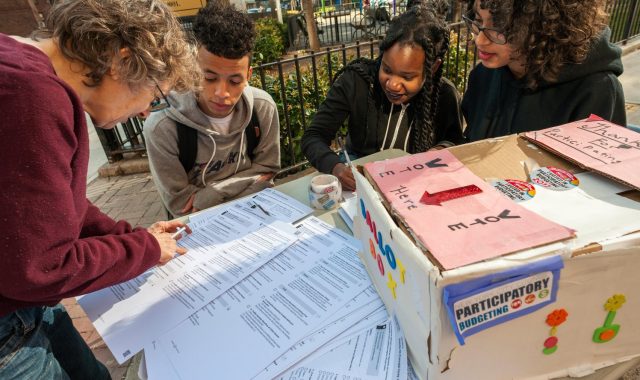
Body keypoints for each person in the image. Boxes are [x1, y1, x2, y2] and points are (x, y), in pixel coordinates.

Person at [0, 0, 200, 378]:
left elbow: (52, 206)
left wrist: (134, 236)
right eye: (155, 96)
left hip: (24, 306)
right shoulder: (35, 97)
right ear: (123, 62)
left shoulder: (18, 62)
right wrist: (145, 248)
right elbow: (43, 266)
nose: (146, 112)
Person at [301, 1, 464, 191]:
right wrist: (335, 166)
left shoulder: (445, 95)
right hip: (358, 183)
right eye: (387, 69)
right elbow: (313, 136)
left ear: (433, 68)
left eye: (407, 76)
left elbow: (455, 142)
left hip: (413, 186)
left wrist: (436, 153)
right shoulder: (356, 81)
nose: (393, 84)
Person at [144, 2, 280, 218]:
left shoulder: (262, 108)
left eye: (235, 81)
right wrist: (247, 183)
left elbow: (268, 171)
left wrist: (210, 195)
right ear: (192, 68)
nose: (221, 93)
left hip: (256, 216)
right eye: (209, 78)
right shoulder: (162, 127)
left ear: (249, 76)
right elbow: (180, 204)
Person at [461, 0, 626, 142]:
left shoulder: (597, 90)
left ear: (545, 25)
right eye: (477, 20)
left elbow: (600, 173)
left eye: (499, 26)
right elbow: (470, 142)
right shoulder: (482, 76)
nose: (480, 40)